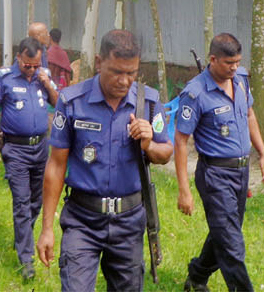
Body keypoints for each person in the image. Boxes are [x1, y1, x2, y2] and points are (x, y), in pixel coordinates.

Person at [36, 29, 172, 292]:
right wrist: (47, 228)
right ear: (99, 63)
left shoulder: (149, 102)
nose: (124, 81)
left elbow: (165, 153)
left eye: (131, 73)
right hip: (82, 221)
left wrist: (148, 144)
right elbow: (56, 165)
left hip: (129, 222)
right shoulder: (73, 101)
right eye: (116, 72)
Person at [173, 32, 264, 292]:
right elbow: (181, 141)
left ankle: (197, 276)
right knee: (231, 245)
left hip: (240, 173)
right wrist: (184, 190)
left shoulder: (240, 80)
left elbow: (249, 115)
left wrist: (262, 152)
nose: (234, 67)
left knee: (224, 233)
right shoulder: (195, 94)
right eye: (229, 63)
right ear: (213, 59)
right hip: (215, 175)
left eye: (237, 62)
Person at [0, 36, 59, 279]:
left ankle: (22, 238)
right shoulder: (5, 77)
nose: (31, 69)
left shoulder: (43, 75)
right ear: (19, 58)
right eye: (28, 64)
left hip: (41, 148)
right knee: (21, 201)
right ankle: (26, 259)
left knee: (36, 201)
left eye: (36, 64)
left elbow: (59, 105)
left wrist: (47, 84)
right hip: (15, 150)